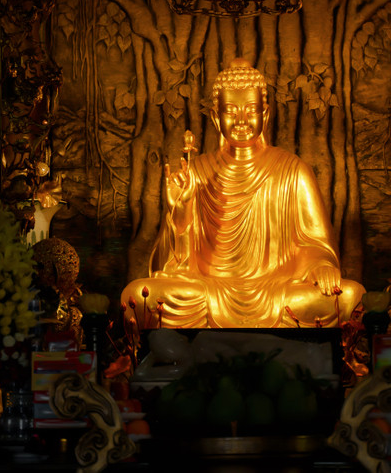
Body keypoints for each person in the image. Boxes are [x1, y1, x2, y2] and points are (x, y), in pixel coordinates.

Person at [121, 58, 364, 328]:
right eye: (230, 111)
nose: (240, 120)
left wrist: (320, 266)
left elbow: (314, 243)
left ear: (266, 114)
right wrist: (180, 211)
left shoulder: (293, 171)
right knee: (138, 295)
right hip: (208, 291)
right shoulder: (197, 172)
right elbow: (172, 267)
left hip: (277, 290)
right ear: (215, 117)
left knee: (351, 296)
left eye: (251, 110)